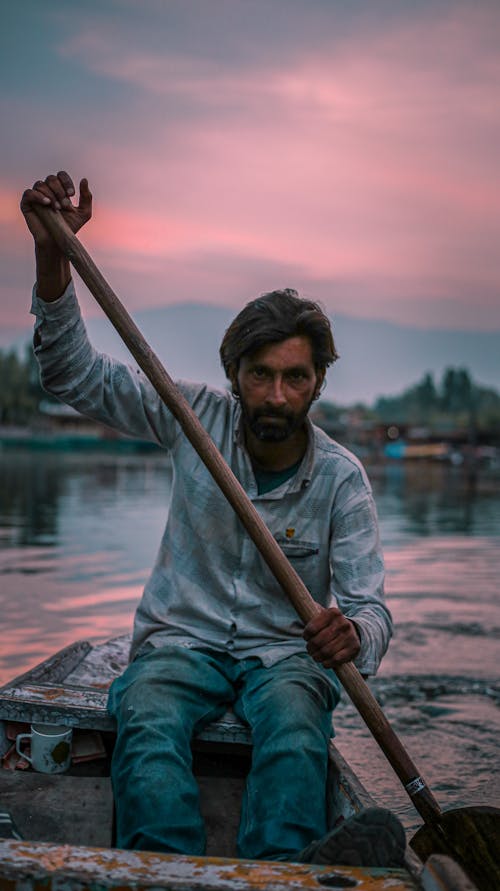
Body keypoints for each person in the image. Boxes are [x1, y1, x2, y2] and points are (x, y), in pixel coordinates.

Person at [20, 172, 405, 867]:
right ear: (233, 374)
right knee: (147, 709)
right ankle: (161, 871)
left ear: (318, 382)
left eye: (295, 376)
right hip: (181, 644)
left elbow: (373, 612)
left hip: (283, 658)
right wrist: (54, 255)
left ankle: (282, 874)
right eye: (260, 374)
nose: (276, 395)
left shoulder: (343, 480)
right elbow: (71, 374)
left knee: (295, 720)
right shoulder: (192, 416)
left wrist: (352, 634)